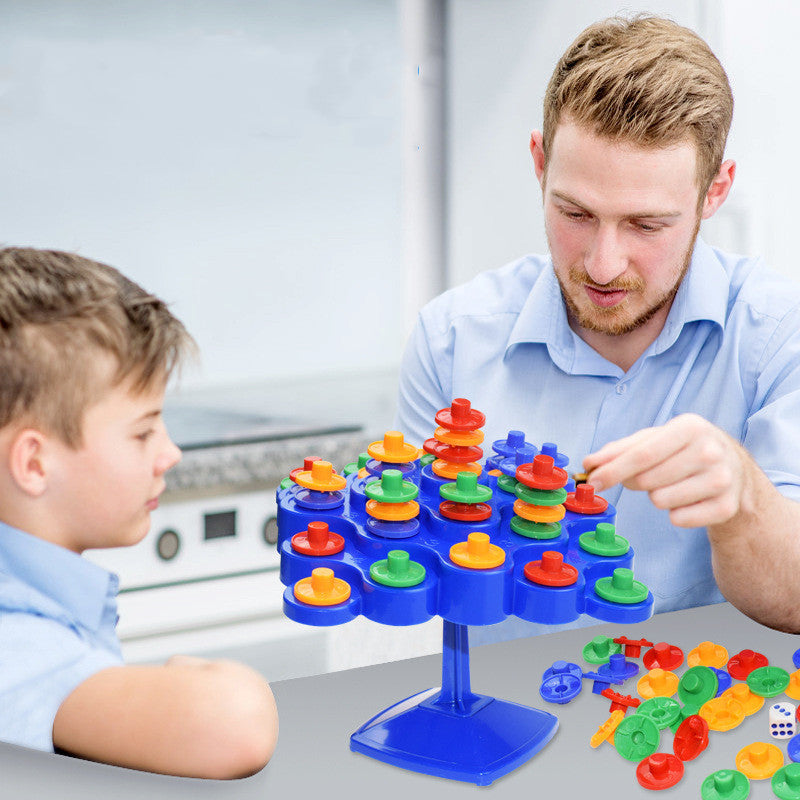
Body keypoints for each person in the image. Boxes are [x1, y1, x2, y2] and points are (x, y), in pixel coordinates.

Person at [396, 15, 800, 636]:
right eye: (576, 212)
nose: (604, 265)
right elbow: (419, 573)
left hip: (694, 714)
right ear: (539, 163)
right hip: (510, 719)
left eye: (647, 225)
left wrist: (743, 499)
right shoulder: (453, 340)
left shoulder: (778, 338)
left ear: (714, 193)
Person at [0, 248, 278, 777]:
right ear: (34, 462)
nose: (169, 453)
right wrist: (181, 671)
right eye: (143, 432)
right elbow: (233, 723)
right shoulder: (20, 641)